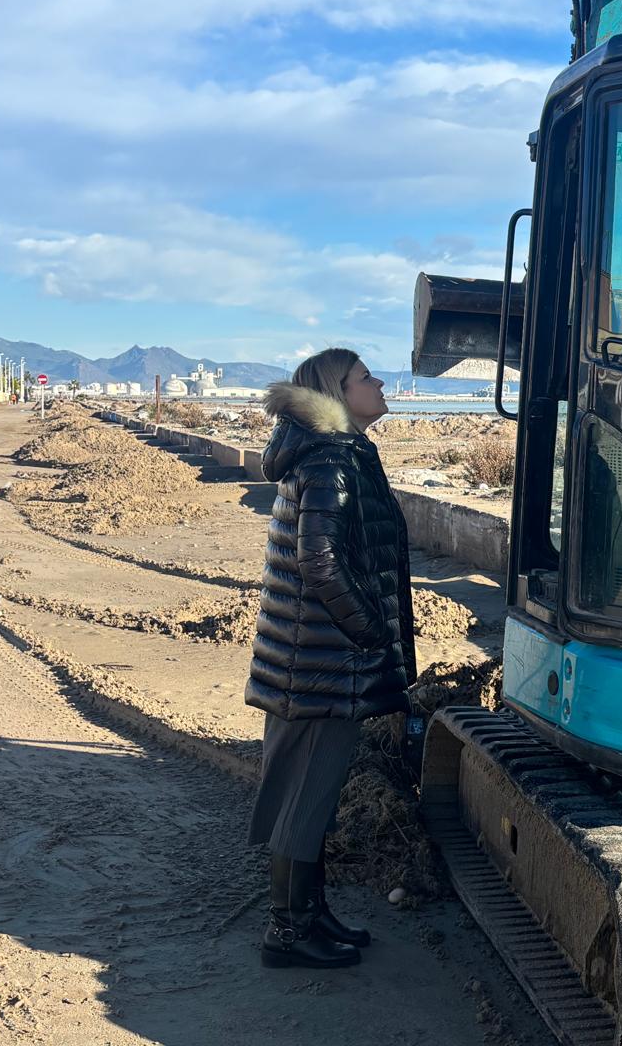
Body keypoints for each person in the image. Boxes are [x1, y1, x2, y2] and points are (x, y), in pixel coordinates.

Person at [245, 348, 415, 968]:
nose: (379, 383)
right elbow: (320, 563)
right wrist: (369, 631)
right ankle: (287, 933)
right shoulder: (330, 463)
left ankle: (309, 915)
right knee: (305, 797)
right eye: (366, 377)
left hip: (311, 658)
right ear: (337, 396)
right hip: (321, 663)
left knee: (308, 794)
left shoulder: (335, 455)